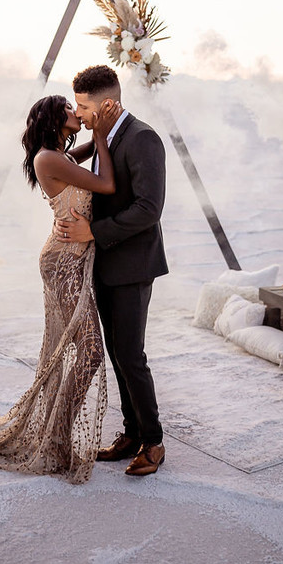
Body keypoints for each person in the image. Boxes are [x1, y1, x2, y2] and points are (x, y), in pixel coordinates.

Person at [0, 93, 122, 484]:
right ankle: (56, 442)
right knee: (91, 352)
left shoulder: (57, 157)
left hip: (73, 259)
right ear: (52, 118)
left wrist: (98, 134)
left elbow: (76, 160)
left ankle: (55, 436)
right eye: (68, 108)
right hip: (63, 263)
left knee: (83, 350)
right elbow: (107, 184)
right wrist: (100, 135)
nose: (75, 112)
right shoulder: (48, 158)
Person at [55, 65, 168, 476]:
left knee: (130, 355)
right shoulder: (103, 136)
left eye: (84, 107)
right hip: (103, 261)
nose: (79, 115)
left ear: (106, 104)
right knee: (117, 355)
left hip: (133, 264)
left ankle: (153, 442)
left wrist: (93, 231)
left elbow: (148, 208)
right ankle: (131, 432)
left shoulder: (143, 138)